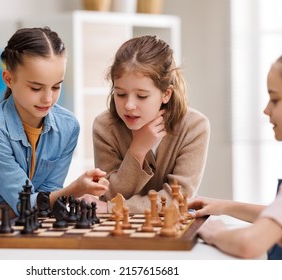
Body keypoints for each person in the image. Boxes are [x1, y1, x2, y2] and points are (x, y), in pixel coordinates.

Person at [0, 27, 108, 230]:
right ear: (9, 79)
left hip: (3, 220)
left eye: (56, 86)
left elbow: (46, 200)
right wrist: (76, 188)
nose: (48, 99)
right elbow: (29, 203)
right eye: (36, 88)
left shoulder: (68, 126)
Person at [188, 47, 282, 260]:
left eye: (275, 99)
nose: (266, 109)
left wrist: (214, 232)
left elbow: (250, 244)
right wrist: (224, 206)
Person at [84, 35, 210, 213]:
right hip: (117, 230)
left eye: (141, 96)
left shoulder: (194, 126)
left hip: (172, 227)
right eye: (120, 94)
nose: (128, 105)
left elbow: (179, 197)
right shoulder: (105, 126)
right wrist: (137, 151)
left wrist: (112, 208)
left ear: (166, 94)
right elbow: (110, 195)